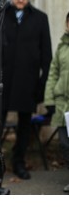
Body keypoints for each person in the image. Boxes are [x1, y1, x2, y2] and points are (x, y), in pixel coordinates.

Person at [2, 0, 52, 180]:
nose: (20, 0)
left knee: (25, 125)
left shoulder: (40, 18)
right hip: (3, 81)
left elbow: (46, 55)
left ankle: (19, 161)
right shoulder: (0, 16)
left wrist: (42, 84)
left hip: (27, 82)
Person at [43, 12, 69, 193]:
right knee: (65, 144)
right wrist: (50, 99)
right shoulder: (62, 47)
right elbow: (53, 74)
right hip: (63, 105)